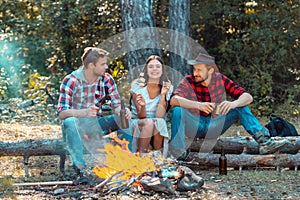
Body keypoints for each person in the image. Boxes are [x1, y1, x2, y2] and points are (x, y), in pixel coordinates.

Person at [169, 53, 288, 159]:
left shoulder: (220, 79)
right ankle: (178, 151)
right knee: (178, 110)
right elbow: (174, 100)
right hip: (195, 125)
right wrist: (199, 105)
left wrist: (233, 103)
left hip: (214, 125)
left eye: (199, 70)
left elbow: (248, 97)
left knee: (240, 106)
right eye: (194, 69)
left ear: (210, 70)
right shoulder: (188, 81)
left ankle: (264, 143)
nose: (195, 73)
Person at [57, 47, 132, 177]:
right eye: (103, 64)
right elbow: (62, 114)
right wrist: (84, 113)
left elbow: (116, 105)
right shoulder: (71, 80)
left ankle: (127, 162)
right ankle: (80, 167)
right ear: (91, 65)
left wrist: (123, 111)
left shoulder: (106, 79)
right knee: (70, 121)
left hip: (95, 125)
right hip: (76, 128)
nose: (106, 67)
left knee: (123, 119)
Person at [130, 55, 173, 155]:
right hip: (138, 122)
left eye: (158, 66)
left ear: (162, 70)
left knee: (160, 122)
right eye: (151, 66)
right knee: (149, 122)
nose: (154, 69)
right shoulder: (137, 85)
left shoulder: (168, 87)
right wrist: (143, 105)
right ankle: (140, 155)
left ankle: (158, 157)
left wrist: (163, 95)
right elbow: (141, 115)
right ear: (146, 70)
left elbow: (159, 115)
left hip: (156, 122)